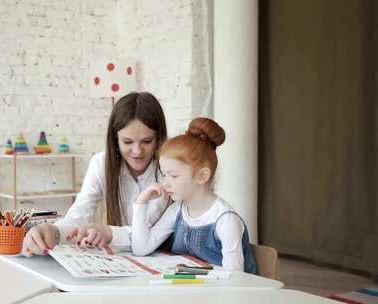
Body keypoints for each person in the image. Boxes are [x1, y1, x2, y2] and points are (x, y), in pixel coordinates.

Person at [22, 91, 168, 256]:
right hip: (121, 261)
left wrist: (107, 232)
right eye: (127, 142)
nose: (137, 151)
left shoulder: (170, 171)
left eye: (147, 141)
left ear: (159, 137)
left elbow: (149, 233)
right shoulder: (101, 163)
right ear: (115, 139)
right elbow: (80, 214)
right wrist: (53, 232)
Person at [131, 117, 256, 273]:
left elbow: (235, 278)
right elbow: (140, 248)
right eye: (164, 175)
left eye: (173, 176)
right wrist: (141, 202)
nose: (165, 183)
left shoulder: (225, 220)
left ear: (202, 176)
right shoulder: (178, 210)